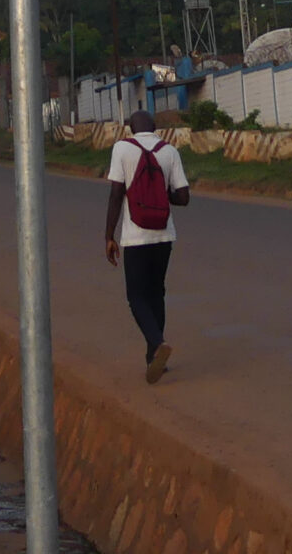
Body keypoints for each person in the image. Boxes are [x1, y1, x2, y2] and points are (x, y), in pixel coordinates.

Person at [103, 107, 190, 384]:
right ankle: (154, 357)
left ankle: (157, 342)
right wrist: (161, 196)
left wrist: (109, 236)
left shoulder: (122, 148)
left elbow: (116, 194)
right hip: (164, 235)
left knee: (136, 296)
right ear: (154, 128)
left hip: (136, 236)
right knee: (156, 293)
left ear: (131, 128)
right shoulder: (169, 151)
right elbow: (183, 197)